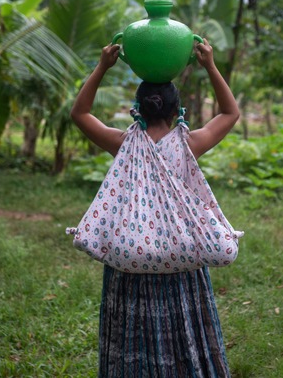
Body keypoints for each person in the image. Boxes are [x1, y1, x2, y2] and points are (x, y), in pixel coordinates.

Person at [71, 39, 240, 377]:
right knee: (185, 341)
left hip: (130, 265)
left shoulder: (123, 144)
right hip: (182, 267)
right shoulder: (189, 144)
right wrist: (209, 65)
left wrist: (103, 65)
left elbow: (80, 113)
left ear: (139, 108)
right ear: (177, 110)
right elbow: (230, 113)